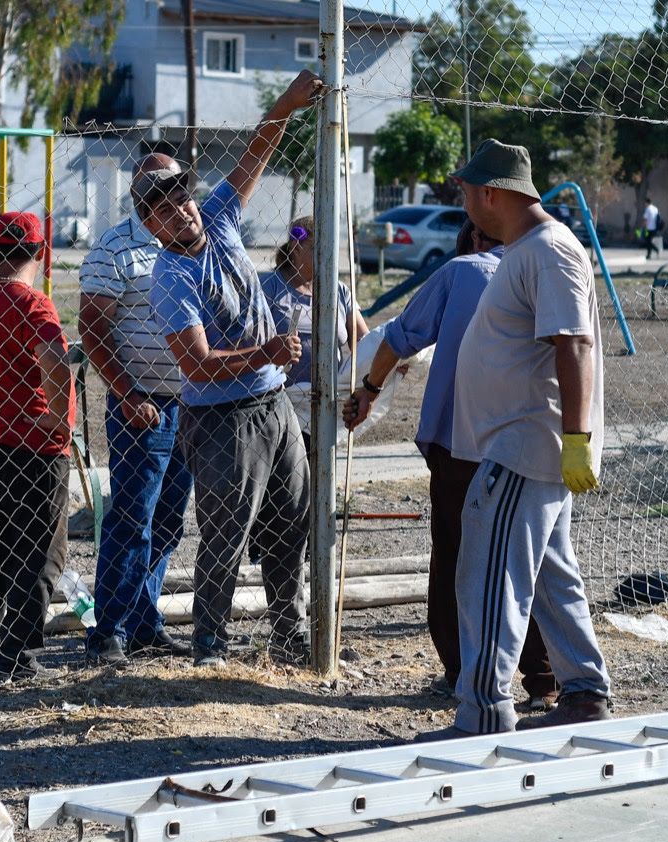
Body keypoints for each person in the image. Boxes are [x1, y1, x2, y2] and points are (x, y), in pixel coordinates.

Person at [418, 138, 612, 740]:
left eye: (466, 193)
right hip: (523, 447)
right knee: (551, 579)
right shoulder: (528, 250)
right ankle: (584, 691)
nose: (465, 205)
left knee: (489, 577)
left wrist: (575, 439)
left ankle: (481, 711)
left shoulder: (548, 251)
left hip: (523, 448)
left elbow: (572, 343)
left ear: (490, 194)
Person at [143, 69, 323, 667]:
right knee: (225, 535)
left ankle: (286, 631)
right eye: (165, 210)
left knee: (290, 519)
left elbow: (254, 154)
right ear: (151, 226)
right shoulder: (170, 278)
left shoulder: (218, 218)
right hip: (221, 420)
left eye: (182, 199)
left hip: (273, 403)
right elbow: (195, 364)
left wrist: (287, 104)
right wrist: (265, 354)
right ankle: (210, 645)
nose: (181, 212)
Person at [344, 221, 557, 712]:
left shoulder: (461, 272)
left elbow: (399, 338)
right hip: (530, 438)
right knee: (530, 559)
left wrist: (369, 391)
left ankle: (463, 672)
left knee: (458, 558)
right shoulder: (548, 268)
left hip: (459, 441)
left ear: (474, 241)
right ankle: (545, 677)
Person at [78, 153, 194, 665]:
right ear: (146, 203)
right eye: (171, 194)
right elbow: (92, 329)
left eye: (184, 193)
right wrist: (128, 393)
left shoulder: (191, 246)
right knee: (132, 518)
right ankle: (108, 632)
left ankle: (144, 625)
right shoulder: (114, 249)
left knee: (168, 521)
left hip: (190, 405)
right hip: (141, 407)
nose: (184, 204)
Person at [0, 211, 75, 683]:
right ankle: (18, 656)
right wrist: (56, 418)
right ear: (40, 252)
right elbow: (55, 360)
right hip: (35, 446)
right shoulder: (34, 305)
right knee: (42, 554)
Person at [261, 215, 369, 446]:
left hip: (327, 408)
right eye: (319, 247)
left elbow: (363, 341)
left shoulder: (338, 291)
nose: (328, 253)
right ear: (296, 245)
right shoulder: (268, 288)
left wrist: (388, 361)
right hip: (279, 407)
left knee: (319, 476)